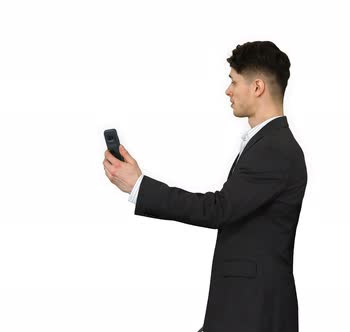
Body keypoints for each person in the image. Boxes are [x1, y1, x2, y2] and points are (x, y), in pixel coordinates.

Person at [103, 41, 307, 332]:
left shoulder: (275, 148)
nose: (228, 90)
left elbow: (218, 210)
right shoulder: (266, 143)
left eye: (234, 81)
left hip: (254, 314)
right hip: (240, 310)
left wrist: (139, 186)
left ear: (258, 87)